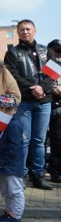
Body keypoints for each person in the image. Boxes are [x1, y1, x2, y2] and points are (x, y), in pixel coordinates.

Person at [4, 20, 54, 190]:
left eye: (28, 29)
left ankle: (38, 175)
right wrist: (32, 88)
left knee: (39, 141)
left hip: (44, 101)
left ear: (35, 31)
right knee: (23, 140)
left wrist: (42, 88)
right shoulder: (12, 52)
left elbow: (54, 72)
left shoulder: (45, 50)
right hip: (24, 101)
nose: (25, 32)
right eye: (22, 29)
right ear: (17, 32)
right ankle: (21, 174)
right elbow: (12, 75)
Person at [0, 94, 26, 222]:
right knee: (6, 191)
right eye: (2, 108)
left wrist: (5, 160)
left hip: (11, 165)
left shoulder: (14, 125)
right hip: (3, 164)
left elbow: (14, 147)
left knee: (15, 191)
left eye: (8, 109)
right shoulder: (0, 124)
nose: (4, 112)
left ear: (14, 110)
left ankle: (15, 217)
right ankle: (9, 212)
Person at [47, 39, 61, 183]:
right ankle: (55, 171)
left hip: (56, 107)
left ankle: (56, 171)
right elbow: (45, 84)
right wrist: (55, 89)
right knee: (55, 141)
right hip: (50, 105)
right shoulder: (50, 65)